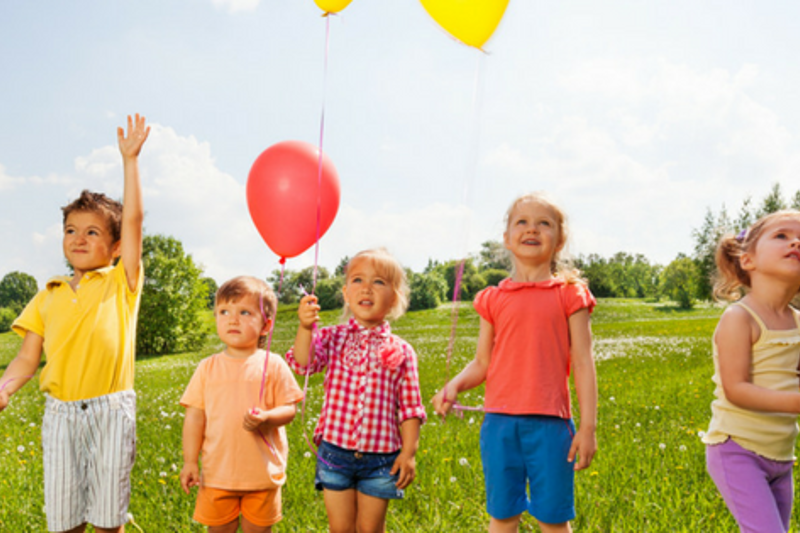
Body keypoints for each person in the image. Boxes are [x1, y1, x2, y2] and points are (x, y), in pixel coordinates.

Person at [0, 115, 149, 533]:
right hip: (60, 416)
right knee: (64, 519)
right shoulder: (47, 294)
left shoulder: (121, 282)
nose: (79, 238)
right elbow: (27, 358)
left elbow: (134, 221)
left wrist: (130, 162)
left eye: (92, 232)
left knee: (108, 518)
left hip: (111, 412)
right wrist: (5, 387)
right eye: (71, 230)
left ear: (116, 247)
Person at [432, 192, 598, 533]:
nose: (531, 229)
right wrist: (454, 385)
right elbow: (482, 362)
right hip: (499, 426)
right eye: (522, 222)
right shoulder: (493, 299)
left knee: (553, 519)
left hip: (551, 426)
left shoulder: (570, 294)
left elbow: (583, 363)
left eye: (544, 223)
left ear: (559, 240)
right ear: (507, 238)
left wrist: (588, 428)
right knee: (503, 516)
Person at [286, 248, 427, 533]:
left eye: (379, 282)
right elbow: (304, 363)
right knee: (340, 528)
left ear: (394, 297)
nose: (366, 288)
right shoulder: (331, 337)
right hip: (335, 452)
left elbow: (411, 409)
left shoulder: (402, 350)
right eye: (358, 280)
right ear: (346, 294)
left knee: (371, 529)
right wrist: (305, 327)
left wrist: (409, 453)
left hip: (381, 458)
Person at [180, 276, 304, 533]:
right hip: (217, 474)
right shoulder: (207, 367)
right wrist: (190, 461)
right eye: (224, 312)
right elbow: (194, 417)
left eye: (244, 312)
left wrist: (267, 418)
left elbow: (290, 409)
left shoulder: (273, 364)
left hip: (261, 474)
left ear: (266, 325)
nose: (232, 320)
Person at [702, 209, 800, 533]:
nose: (796, 242)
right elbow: (736, 389)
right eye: (782, 236)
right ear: (748, 260)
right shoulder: (740, 318)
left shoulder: (797, 322)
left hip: (781, 455)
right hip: (737, 450)